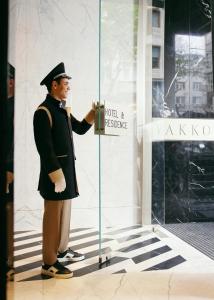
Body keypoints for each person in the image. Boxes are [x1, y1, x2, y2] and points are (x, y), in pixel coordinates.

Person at [33, 62, 95, 279]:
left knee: (65, 214)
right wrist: (56, 175)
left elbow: (79, 129)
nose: (69, 87)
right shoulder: (43, 111)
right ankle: (48, 263)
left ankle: (61, 250)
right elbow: (44, 148)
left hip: (67, 174)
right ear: (54, 85)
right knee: (52, 217)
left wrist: (93, 113)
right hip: (55, 176)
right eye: (66, 84)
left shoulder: (63, 111)